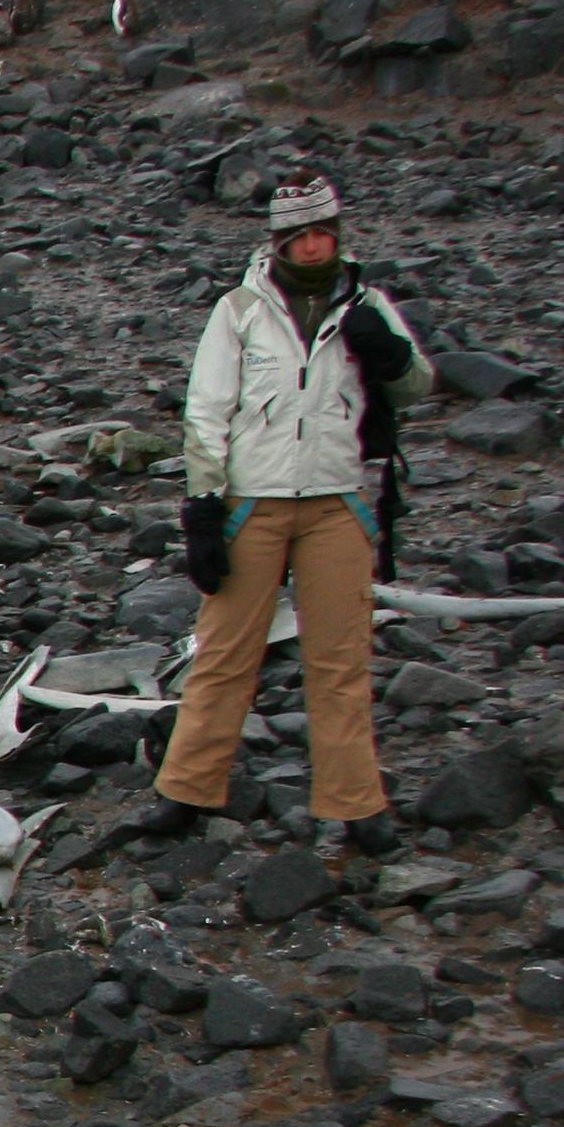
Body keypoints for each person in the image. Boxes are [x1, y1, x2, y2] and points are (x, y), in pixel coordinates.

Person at [137, 176, 427, 858]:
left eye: (324, 232)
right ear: (279, 242)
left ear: (338, 235)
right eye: (300, 236)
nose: (314, 246)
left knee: (341, 660)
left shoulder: (368, 304)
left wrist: (386, 351)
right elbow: (206, 410)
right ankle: (186, 790)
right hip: (252, 504)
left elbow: (417, 385)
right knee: (224, 653)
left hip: (337, 503)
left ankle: (357, 805)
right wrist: (202, 507)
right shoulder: (240, 310)